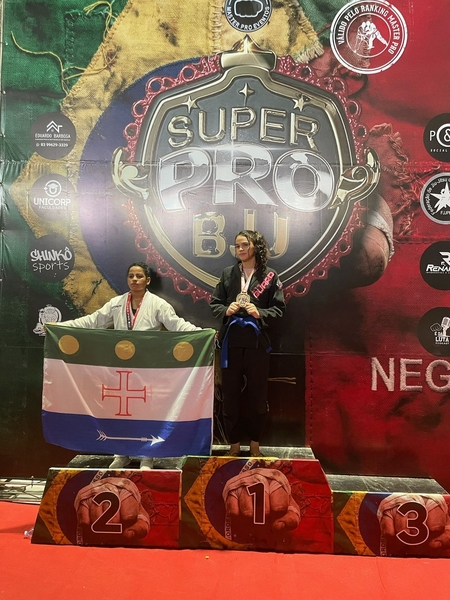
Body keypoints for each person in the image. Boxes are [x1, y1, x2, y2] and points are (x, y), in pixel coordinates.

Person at [58, 261, 201, 469]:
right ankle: (121, 454)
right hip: (121, 369)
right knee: (120, 413)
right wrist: (61, 327)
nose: (134, 279)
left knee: (147, 413)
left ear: (148, 280)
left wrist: (202, 334)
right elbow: (93, 321)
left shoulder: (157, 304)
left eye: (139, 276)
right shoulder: (117, 303)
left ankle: (147, 457)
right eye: (131, 276)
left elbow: (177, 325)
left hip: (147, 368)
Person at [210, 230, 285, 457]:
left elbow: (279, 310)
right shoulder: (228, 273)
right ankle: (233, 446)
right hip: (231, 344)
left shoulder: (269, 275)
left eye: (245, 245)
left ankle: (254, 445)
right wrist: (227, 310)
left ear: (256, 247)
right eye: (237, 246)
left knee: (257, 397)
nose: (240, 249)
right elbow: (214, 304)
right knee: (230, 397)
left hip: (257, 344)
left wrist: (259, 312)